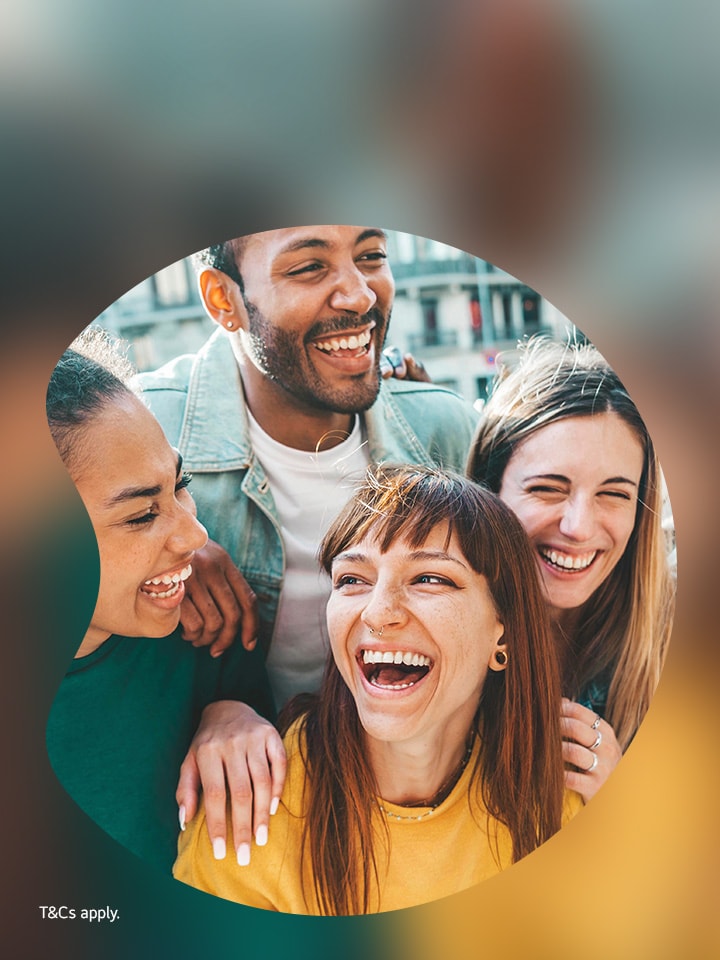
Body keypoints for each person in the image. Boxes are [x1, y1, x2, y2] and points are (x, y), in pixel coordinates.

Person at [134, 225, 478, 855]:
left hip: (416, 818)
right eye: (309, 267)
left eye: (371, 256)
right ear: (223, 301)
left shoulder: (452, 433)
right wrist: (160, 541)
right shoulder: (138, 431)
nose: (358, 295)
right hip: (228, 834)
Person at [174, 465, 581, 913]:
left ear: (502, 633)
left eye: (430, 578)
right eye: (352, 580)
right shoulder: (250, 802)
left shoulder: (556, 802)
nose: (377, 612)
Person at [45, 330, 276, 872]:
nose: (196, 536)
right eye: (141, 515)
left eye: (180, 483)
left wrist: (237, 713)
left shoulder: (204, 625)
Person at [467, 336, 675, 801]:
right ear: (487, 491)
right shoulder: (428, 633)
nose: (579, 527)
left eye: (615, 493)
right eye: (548, 488)